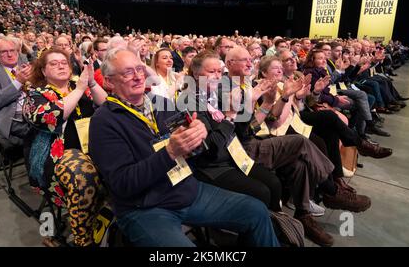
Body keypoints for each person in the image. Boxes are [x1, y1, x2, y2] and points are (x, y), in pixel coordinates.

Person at [89, 49, 279, 247]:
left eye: (139, 69)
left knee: (257, 210)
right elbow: (123, 184)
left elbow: (197, 153)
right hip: (144, 208)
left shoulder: (161, 103)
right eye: (128, 72)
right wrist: (170, 152)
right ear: (109, 82)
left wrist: (198, 137)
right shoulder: (104, 121)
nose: (138, 76)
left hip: (185, 190)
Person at [222, 46, 371, 247]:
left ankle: (304, 216)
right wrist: (261, 101)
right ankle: (331, 190)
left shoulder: (247, 85)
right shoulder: (224, 88)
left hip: (256, 138)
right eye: (244, 60)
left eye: (251, 59)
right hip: (242, 148)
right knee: (303, 142)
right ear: (229, 64)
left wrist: (282, 98)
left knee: (299, 163)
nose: (250, 63)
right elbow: (245, 130)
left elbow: (256, 124)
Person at [23, 48, 108, 246]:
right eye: (54, 63)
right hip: (58, 156)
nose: (61, 65)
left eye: (64, 62)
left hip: (93, 147)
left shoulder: (80, 85)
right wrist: (79, 89)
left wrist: (92, 83)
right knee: (82, 175)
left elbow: (108, 106)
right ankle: (83, 241)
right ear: (43, 71)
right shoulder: (36, 95)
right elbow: (52, 117)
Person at [181, 52, 283, 214]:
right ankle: (262, 232)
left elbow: (243, 132)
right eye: (211, 72)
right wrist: (229, 116)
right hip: (210, 166)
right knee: (261, 192)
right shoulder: (188, 101)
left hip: (234, 155)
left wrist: (250, 101)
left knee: (274, 183)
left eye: (219, 72)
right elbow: (210, 148)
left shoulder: (218, 94)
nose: (217, 76)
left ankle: (279, 228)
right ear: (196, 74)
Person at [0, 37, 32, 150]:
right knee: (43, 133)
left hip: (34, 112)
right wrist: (18, 82)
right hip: (12, 118)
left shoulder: (27, 68)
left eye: (12, 50)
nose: (10, 54)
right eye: (4, 51)